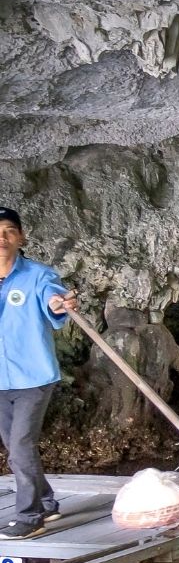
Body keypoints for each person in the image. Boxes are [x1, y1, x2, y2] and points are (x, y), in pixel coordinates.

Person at [0, 208, 80, 539]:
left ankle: (30, 515)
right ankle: (46, 500)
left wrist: (58, 304)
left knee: (20, 445)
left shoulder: (37, 275)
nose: (2, 238)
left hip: (33, 378)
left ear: (21, 238)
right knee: (14, 444)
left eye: (9, 231)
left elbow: (52, 297)